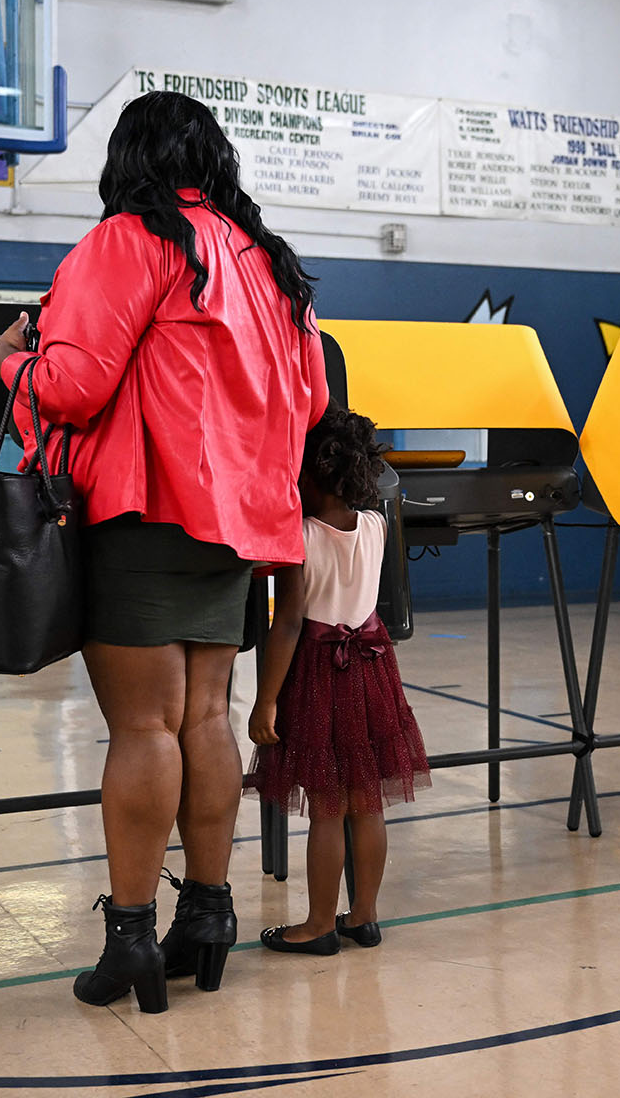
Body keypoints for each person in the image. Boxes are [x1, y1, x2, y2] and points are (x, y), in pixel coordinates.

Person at [0, 90, 327, 1013]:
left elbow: (73, 385)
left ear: (127, 159)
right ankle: (208, 916)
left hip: (144, 512)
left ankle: (132, 940)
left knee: (143, 726)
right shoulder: (270, 264)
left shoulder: (131, 239)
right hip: (240, 523)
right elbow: (309, 405)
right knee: (207, 717)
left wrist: (9, 360)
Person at [248, 407, 430, 956]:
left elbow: (290, 625)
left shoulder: (300, 536)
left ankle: (318, 924)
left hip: (322, 676)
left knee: (327, 806)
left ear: (309, 474)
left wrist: (266, 701)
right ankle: (365, 917)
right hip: (373, 669)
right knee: (366, 802)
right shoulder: (376, 525)